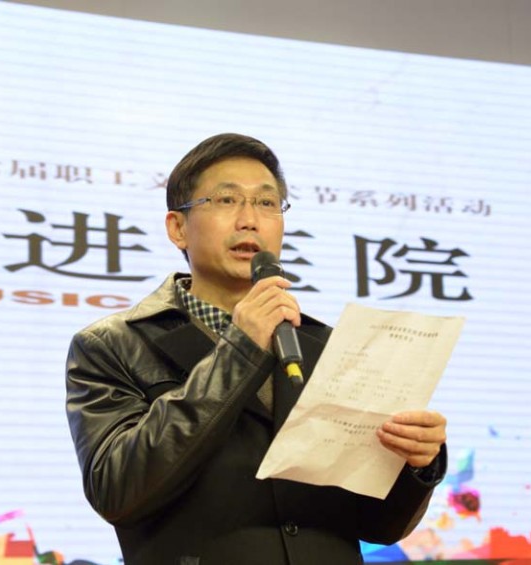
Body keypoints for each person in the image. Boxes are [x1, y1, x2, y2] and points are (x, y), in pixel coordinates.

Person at [66, 133, 448, 564]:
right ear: (177, 228)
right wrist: (239, 349)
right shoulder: (113, 345)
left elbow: (377, 524)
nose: (250, 220)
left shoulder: (325, 345)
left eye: (267, 203)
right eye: (226, 200)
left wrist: (416, 463)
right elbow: (117, 489)